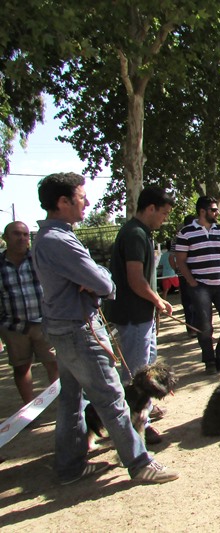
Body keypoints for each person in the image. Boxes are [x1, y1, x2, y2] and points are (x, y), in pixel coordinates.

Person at [32, 172, 177, 484]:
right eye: (82, 197)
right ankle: (139, 463)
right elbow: (104, 281)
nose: (87, 202)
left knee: (72, 399)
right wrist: (98, 279)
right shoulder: (59, 241)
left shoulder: (50, 238)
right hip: (79, 330)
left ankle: (71, 465)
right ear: (63, 202)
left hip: (67, 328)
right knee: (112, 398)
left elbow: (96, 278)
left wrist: (95, 278)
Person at [106, 186, 175, 445]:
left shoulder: (142, 233)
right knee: (136, 377)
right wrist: (158, 299)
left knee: (147, 368)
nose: (164, 219)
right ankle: (134, 430)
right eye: (164, 213)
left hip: (142, 316)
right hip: (133, 316)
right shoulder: (134, 234)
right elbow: (135, 280)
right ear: (150, 209)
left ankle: (143, 417)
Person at [174, 196, 220, 375]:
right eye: (214, 210)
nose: (217, 212)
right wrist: (191, 281)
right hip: (200, 286)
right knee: (205, 325)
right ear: (203, 211)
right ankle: (209, 360)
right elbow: (180, 261)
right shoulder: (185, 233)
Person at [0, 221, 59, 406]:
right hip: (14, 327)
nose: (22, 238)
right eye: (17, 234)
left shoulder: (38, 259)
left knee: (54, 364)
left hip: (44, 324)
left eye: (25, 234)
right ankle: (29, 410)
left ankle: (63, 405)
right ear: (5, 238)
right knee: (21, 367)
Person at [173, 215, 196, 337]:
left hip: (195, 274)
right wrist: (178, 270)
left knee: (195, 303)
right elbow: (174, 257)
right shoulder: (179, 237)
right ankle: (192, 329)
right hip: (185, 276)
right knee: (188, 303)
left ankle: (196, 328)